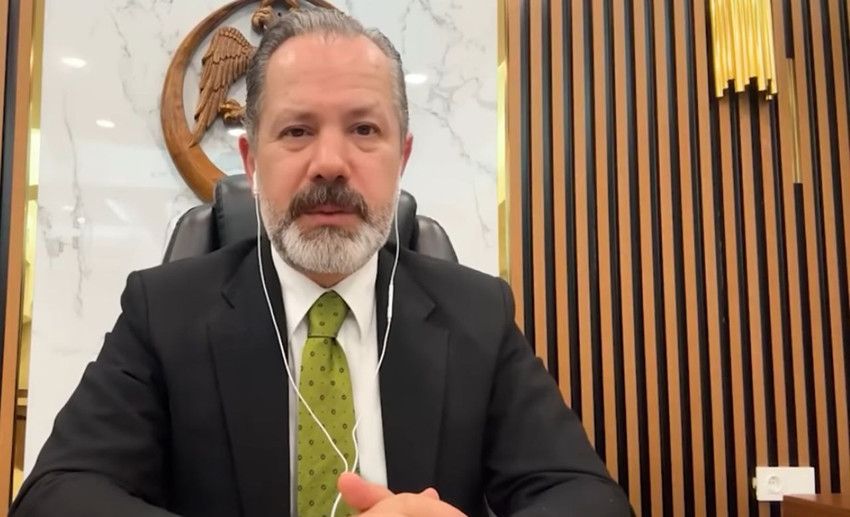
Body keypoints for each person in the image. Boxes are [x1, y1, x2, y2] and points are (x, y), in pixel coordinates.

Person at [11, 8, 631, 517]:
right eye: (297, 131)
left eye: (363, 130)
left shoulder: (478, 315)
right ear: (251, 163)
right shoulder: (163, 312)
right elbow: (57, 494)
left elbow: (586, 498)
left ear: (401, 158)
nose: (330, 163)